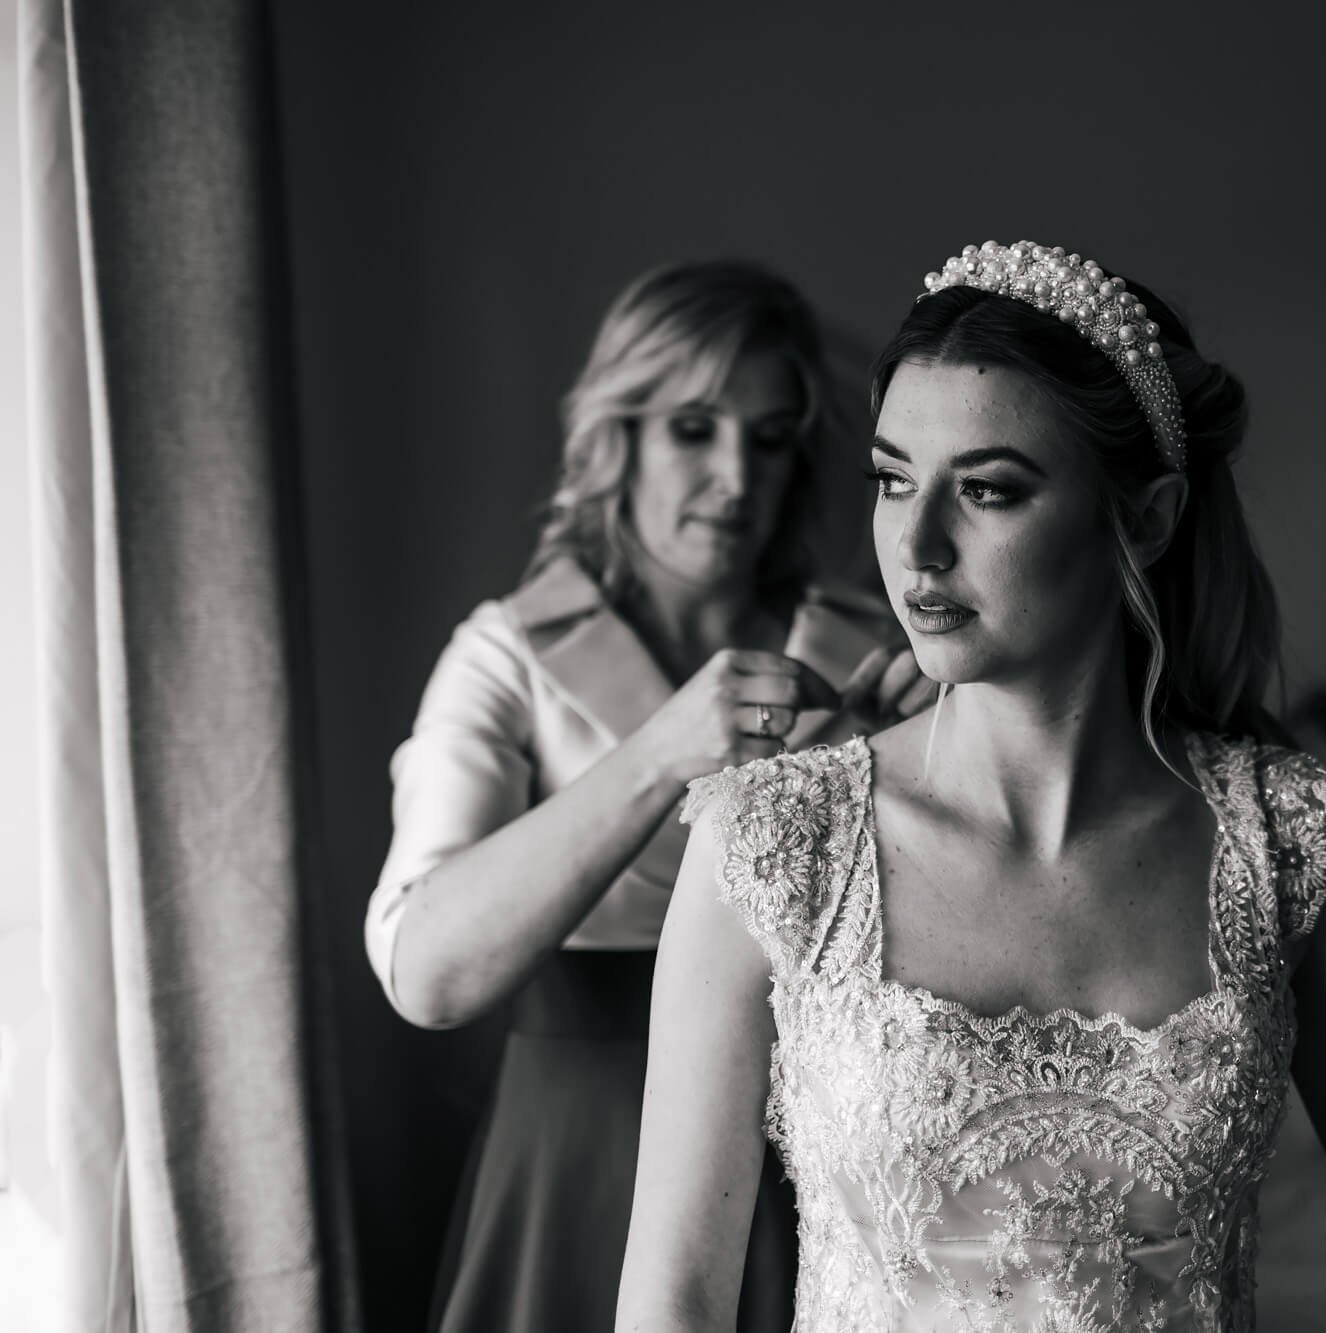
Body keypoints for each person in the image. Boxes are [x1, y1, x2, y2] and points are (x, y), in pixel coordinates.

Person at [615, 241, 1326, 1331]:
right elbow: (674, 1299)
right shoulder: (772, 842)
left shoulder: (1293, 840)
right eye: (892, 480)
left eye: (986, 490)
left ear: (1148, 517)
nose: (915, 545)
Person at [365, 260, 932, 1333]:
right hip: (586, 1154)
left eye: (768, 438)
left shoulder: (879, 650)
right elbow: (426, 972)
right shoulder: (505, 658)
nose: (734, 476)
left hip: (821, 1147)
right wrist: (658, 751)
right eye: (691, 427)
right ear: (616, 434)